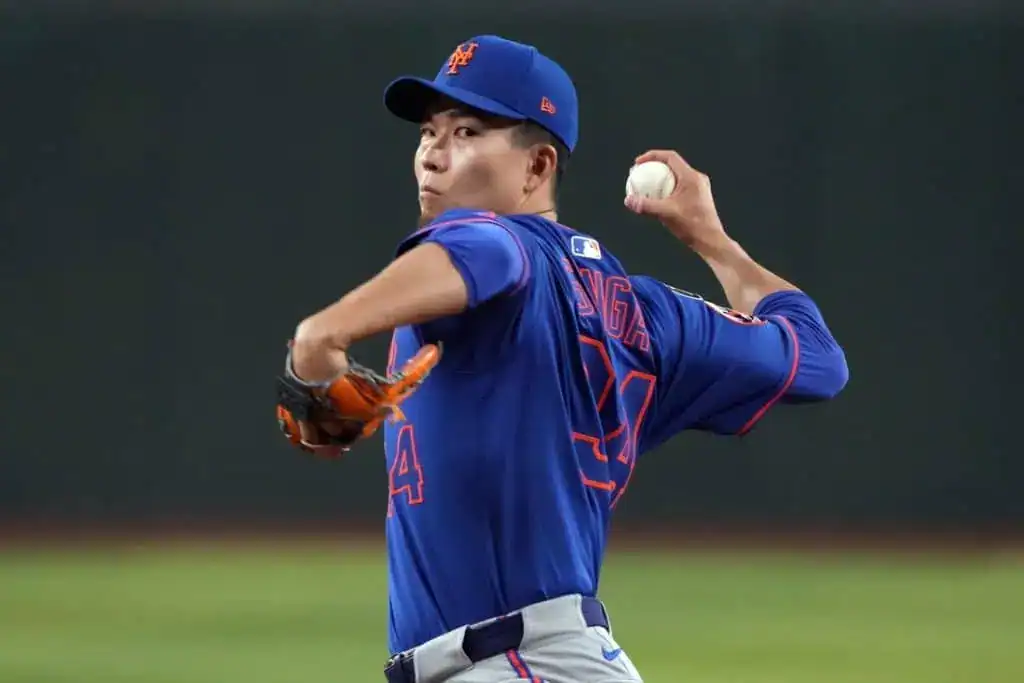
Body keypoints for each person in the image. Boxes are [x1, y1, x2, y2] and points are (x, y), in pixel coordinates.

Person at [285, 34, 849, 683]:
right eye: (427, 132)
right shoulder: (648, 317)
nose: (433, 156)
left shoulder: (486, 240)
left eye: (467, 131)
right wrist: (713, 242)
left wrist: (318, 346)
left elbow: (478, 261)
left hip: (514, 665)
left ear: (536, 166)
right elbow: (817, 356)